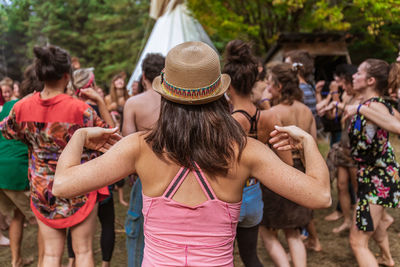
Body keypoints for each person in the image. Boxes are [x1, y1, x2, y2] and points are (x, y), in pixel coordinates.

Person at [52, 41, 331, 266]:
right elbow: (320, 195)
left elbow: (62, 185)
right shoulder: (245, 150)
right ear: (219, 93)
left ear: (166, 93)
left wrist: (79, 137)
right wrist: (307, 142)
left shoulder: (140, 147)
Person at [0, 45, 110, 267]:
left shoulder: (21, 107)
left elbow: (7, 131)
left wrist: (33, 140)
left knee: (50, 255)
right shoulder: (81, 110)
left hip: (43, 189)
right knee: (84, 251)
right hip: (79, 185)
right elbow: (107, 134)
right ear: (67, 76)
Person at [223, 40, 291, 267]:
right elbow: (287, 163)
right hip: (254, 197)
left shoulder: (229, 122)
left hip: (230, 198)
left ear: (228, 86)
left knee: (224, 259)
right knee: (251, 257)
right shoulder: (271, 117)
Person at [259, 62, 315, 267]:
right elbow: (313, 142)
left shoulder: (274, 112)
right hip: (302, 171)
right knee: (293, 231)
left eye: (269, 84)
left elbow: (268, 146)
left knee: (265, 229)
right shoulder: (306, 111)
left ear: (279, 87)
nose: (267, 88)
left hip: (279, 173)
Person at [348, 59, 400, 267]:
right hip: (375, 175)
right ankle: (387, 258)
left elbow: (397, 126)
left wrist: (361, 110)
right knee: (375, 225)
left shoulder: (372, 106)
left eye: (358, 73)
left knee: (358, 242)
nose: (353, 76)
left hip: (377, 178)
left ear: (370, 80)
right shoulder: (380, 104)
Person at [65, 68, 116, 267]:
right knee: (107, 222)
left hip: (74, 175)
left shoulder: (68, 108)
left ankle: (71, 261)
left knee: (74, 222)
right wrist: (101, 102)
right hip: (98, 176)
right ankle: (104, 264)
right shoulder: (89, 111)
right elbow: (113, 134)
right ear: (91, 86)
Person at [122, 53, 165, 267]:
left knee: (137, 232)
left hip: (145, 177)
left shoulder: (134, 103)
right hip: (177, 177)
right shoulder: (174, 101)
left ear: (144, 75)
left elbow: (128, 145)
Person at [0, 68, 42, 267]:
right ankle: (47, 262)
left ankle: (16, 260)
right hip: (17, 171)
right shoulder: (37, 105)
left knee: (18, 213)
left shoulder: (9, 104)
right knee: (43, 219)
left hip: (1, 169)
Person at [318, 64, 359, 233]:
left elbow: (351, 115)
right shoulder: (348, 98)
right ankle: (347, 220)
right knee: (342, 186)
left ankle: (358, 224)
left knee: (358, 189)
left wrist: (335, 99)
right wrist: (331, 105)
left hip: (355, 151)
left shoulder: (361, 101)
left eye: (345, 83)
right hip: (344, 148)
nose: (342, 86)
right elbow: (335, 117)